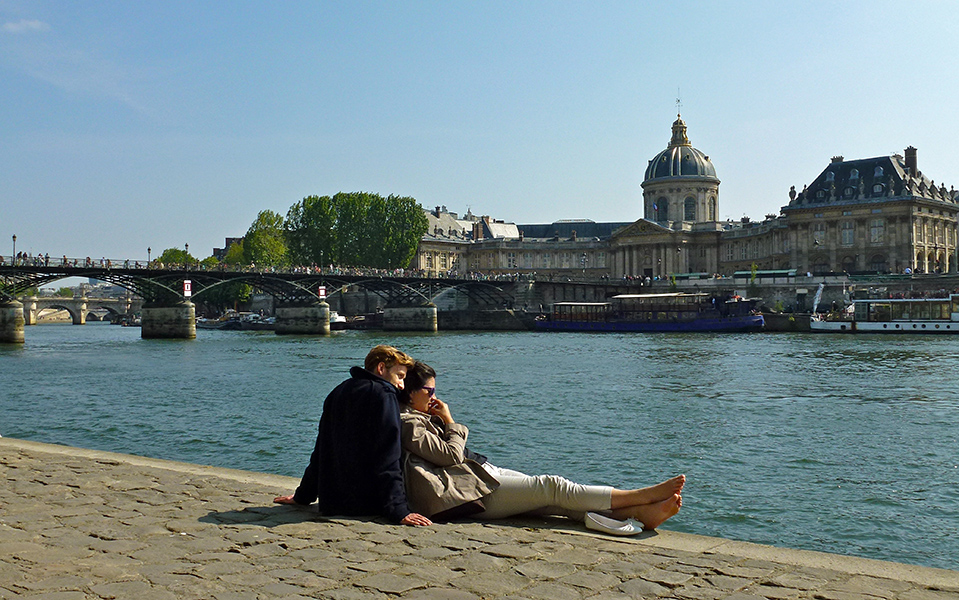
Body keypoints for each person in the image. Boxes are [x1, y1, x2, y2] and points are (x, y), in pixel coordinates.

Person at [398, 361, 684, 528]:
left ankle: (637, 514)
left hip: (474, 476)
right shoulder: (410, 422)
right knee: (552, 487)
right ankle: (640, 496)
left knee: (551, 504)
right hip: (464, 495)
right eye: (430, 390)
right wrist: (450, 421)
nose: (435, 396)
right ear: (411, 393)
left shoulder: (419, 415)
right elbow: (451, 455)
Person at [274, 346, 432, 526]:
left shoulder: (339, 390)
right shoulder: (384, 394)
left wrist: (303, 496)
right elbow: (388, 454)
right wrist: (399, 510)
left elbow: (322, 449)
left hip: (332, 502)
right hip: (367, 504)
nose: (402, 385)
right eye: (400, 376)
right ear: (381, 369)